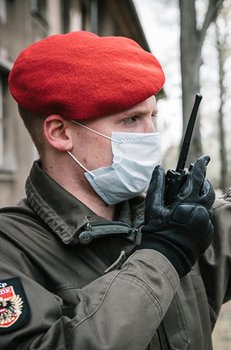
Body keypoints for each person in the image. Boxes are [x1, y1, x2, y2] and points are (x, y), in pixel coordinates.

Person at [0, 30, 228, 350]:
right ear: (60, 132)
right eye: (131, 120)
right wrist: (163, 254)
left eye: (153, 118)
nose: (151, 137)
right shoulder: (11, 249)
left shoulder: (169, 220)